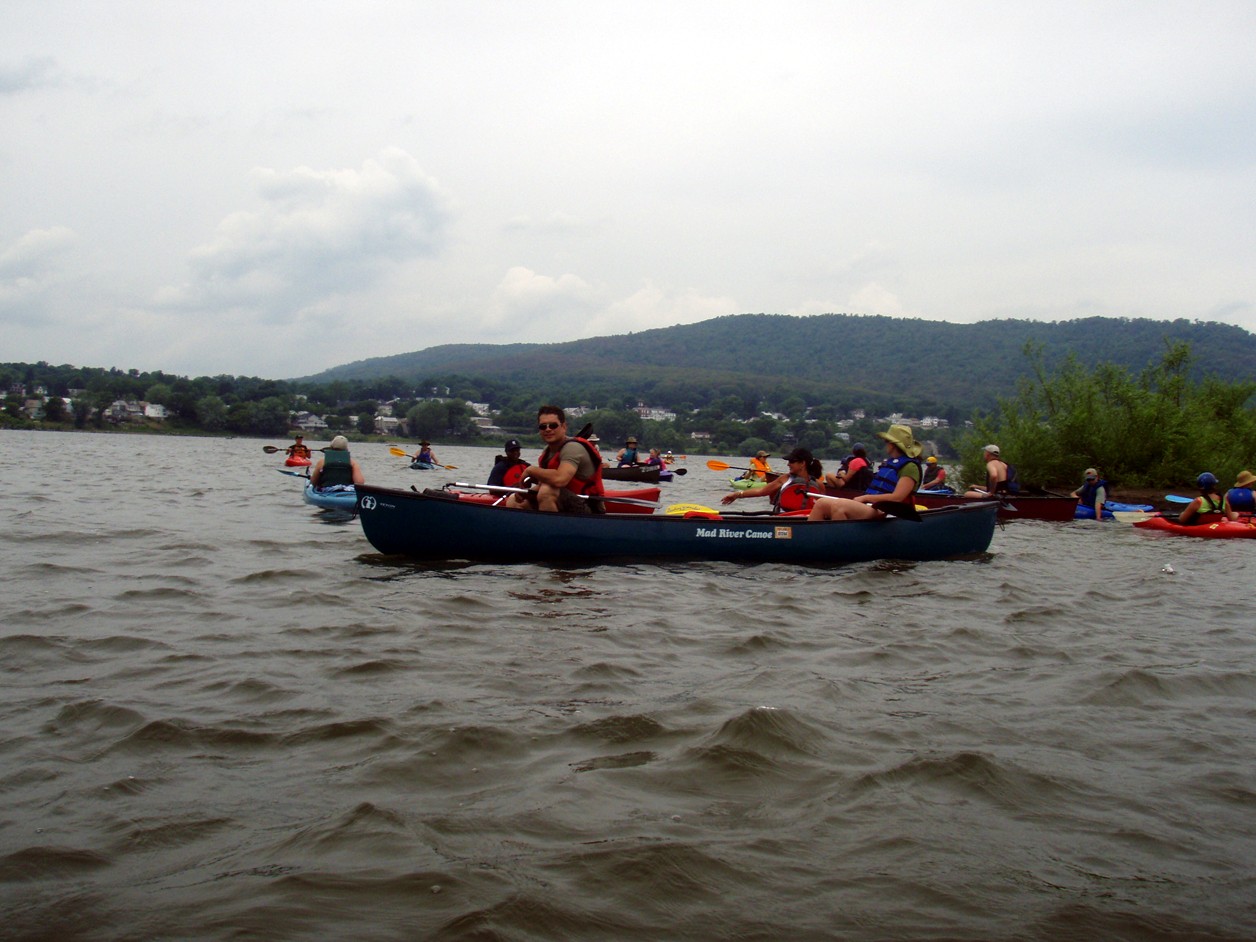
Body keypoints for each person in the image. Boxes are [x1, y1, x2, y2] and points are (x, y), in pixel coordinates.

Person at [808, 425, 923, 521]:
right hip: (872, 507)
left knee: (839, 506)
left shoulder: (910, 467)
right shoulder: (891, 462)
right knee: (821, 503)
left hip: (887, 510)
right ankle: (810, 542)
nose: (885, 444)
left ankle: (841, 544)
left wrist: (866, 498)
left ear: (892, 444)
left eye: (886, 441)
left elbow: (897, 497)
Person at [507, 406, 605, 513]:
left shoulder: (572, 448)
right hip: (562, 500)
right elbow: (543, 484)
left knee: (546, 492)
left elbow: (560, 479)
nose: (548, 429)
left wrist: (531, 470)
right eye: (543, 427)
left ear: (563, 427)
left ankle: (552, 528)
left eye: (553, 425)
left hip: (588, 506)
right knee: (514, 500)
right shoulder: (547, 452)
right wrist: (526, 492)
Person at [721, 447, 821, 514]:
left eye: (791, 461)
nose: (788, 464)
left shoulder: (818, 485)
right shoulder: (785, 478)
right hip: (783, 518)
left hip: (804, 521)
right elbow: (761, 491)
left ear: (802, 463)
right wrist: (736, 495)